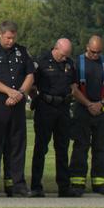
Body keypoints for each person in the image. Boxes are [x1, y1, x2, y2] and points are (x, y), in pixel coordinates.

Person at [0, 20, 34, 198]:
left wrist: (20, 93)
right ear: (0, 34)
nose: (11, 41)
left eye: (13, 37)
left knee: (17, 145)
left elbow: (30, 75)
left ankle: (17, 184)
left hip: (16, 104)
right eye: (8, 37)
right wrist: (9, 91)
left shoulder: (22, 51)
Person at [69, 34, 104, 196]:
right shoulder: (77, 63)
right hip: (83, 110)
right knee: (80, 146)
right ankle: (77, 182)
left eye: (99, 52)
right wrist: (89, 104)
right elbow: (74, 89)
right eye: (93, 52)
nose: (96, 55)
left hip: (102, 111)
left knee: (101, 147)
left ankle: (99, 182)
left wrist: (101, 104)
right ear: (87, 47)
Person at [29, 38, 77, 197]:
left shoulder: (69, 64)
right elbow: (32, 85)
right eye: (63, 55)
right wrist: (36, 99)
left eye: (67, 55)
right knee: (41, 147)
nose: (65, 58)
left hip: (63, 108)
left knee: (62, 148)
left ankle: (64, 186)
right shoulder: (41, 62)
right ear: (55, 49)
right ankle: (36, 186)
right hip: (46, 107)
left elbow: (73, 84)